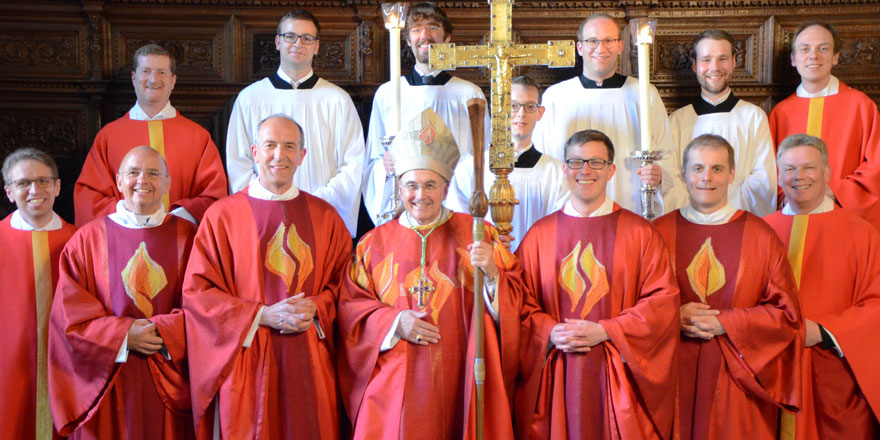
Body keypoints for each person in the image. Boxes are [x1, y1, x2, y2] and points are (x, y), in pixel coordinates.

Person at [339, 108, 527, 439]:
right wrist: (396, 323)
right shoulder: (373, 244)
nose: (420, 195)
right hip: (395, 382)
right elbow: (352, 311)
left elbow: (517, 303)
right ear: (399, 186)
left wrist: (493, 274)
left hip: (462, 371)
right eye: (411, 185)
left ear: (445, 187)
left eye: (430, 185)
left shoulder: (477, 233)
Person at [183, 115, 351, 439]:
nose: (279, 155)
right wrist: (261, 314)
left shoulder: (326, 217)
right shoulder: (222, 216)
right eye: (270, 145)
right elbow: (198, 292)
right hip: (246, 361)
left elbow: (347, 289)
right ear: (254, 152)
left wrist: (317, 307)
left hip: (311, 361)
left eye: (289, 146)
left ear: (302, 155)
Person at [514, 129, 680, 439]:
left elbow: (662, 303)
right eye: (576, 162)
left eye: (595, 162)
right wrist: (549, 330)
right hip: (556, 375)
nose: (585, 171)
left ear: (611, 170)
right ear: (564, 170)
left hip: (618, 380)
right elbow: (519, 304)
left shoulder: (639, 233)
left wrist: (606, 330)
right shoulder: (539, 235)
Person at [653, 134, 802, 439]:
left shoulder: (761, 236)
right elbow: (632, 308)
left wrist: (728, 322)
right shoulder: (657, 233)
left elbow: (787, 317)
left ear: (732, 174)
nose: (706, 178)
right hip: (671, 378)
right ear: (683, 174)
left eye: (717, 169)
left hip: (737, 383)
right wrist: (673, 316)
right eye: (697, 168)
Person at [49, 146, 196, 439]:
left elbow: (206, 305)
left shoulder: (190, 237)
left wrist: (163, 331)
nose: (143, 180)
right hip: (107, 382)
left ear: (167, 184)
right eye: (133, 172)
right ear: (118, 181)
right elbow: (69, 318)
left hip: (170, 377)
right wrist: (124, 335)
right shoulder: (88, 240)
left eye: (154, 173)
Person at [765, 134, 880, 439]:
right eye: (789, 169)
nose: (798, 177)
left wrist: (826, 331)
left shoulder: (862, 233)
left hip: (837, 373)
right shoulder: (761, 230)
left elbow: (877, 303)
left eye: (808, 168)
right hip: (773, 373)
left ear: (828, 173)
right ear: (778, 175)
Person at [225, 10, 364, 236]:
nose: (298, 43)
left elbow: (354, 164)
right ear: (278, 42)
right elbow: (238, 161)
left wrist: (315, 202)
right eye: (290, 36)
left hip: (322, 214)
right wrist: (270, 200)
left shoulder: (337, 99)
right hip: (265, 215)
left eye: (307, 38)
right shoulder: (251, 98)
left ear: (316, 46)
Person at [533, 13, 685, 214]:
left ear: (620, 46)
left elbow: (666, 154)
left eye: (609, 41)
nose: (600, 48)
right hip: (571, 210)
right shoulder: (556, 97)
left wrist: (659, 175)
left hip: (630, 207)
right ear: (580, 47)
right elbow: (544, 160)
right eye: (592, 41)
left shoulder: (644, 94)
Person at [363, 1, 489, 224]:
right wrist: (385, 166)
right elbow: (372, 159)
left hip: (454, 204)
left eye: (432, 27)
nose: (424, 35)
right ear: (408, 40)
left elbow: (484, 158)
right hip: (406, 208)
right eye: (416, 29)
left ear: (446, 37)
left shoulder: (469, 93)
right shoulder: (388, 93)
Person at [74, 44, 227, 226]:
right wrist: (131, 214)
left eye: (162, 72)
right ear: (133, 78)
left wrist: (175, 218)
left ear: (173, 81)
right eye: (146, 71)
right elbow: (88, 198)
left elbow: (214, 196)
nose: (154, 79)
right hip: (123, 240)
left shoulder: (198, 137)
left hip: (181, 239)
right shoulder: (109, 135)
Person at [769, 21, 880, 229]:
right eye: (804, 49)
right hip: (793, 217)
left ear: (836, 57)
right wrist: (788, 195)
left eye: (823, 48)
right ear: (793, 59)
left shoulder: (861, 106)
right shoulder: (780, 113)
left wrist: (835, 190)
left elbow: (876, 166)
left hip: (845, 214)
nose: (814, 56)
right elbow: (769, 170)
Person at [1, 148, 77, 440]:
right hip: (7, 369)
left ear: (57, 187)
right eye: (23, 183)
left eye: (44, 181)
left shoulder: (81, 240)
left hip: (67, 368)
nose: (35, 190)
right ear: (9, 192)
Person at [446, 75, 569, 251]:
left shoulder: (557, 173)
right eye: (513, 106)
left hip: (538, 267)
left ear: (540, 113)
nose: (521, 113)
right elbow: (455, 222)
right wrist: (487, 238)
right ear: (500, 110)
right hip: (483, 267)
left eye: (530, 106)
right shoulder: (471, 168)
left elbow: (563, 228)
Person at [669, 30, 776, 216]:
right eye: (706, 59)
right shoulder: (677, 120)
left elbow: (763, 181)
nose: (715, 67)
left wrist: (723, 212)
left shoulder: (754, 117)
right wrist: (698, 215)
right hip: (690, 221)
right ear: (695, 65)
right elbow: (672, 180)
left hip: (739, 220)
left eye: (723, 58)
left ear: (735, 62)